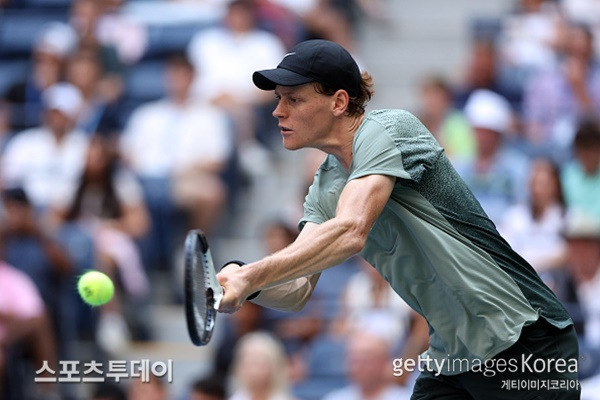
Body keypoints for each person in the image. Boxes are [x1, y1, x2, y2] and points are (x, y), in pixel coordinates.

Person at [216, 39, 580, 399]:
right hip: (453, 356)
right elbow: (297, 290)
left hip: (525, 338)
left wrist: (252, 275)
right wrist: (242, 283)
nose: (278, 111)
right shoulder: (325, 185)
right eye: (279, 99)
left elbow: (351, 231)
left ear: (339, 102)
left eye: (293, 99)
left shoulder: (388, 129)